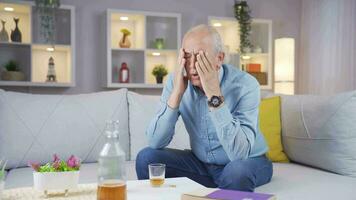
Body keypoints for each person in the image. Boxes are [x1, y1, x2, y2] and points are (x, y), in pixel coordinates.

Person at [135, 24, 272, 192]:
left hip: (248, 161)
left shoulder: (246, 85)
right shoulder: (175, 81)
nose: (192, 65)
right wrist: (176, 94)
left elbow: (239, 154)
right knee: (146, 158)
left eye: (200, 56)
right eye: (187, 56)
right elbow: (155, 141)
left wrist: (214, 93)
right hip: (201, 165)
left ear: (219, 59)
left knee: (237, 173)